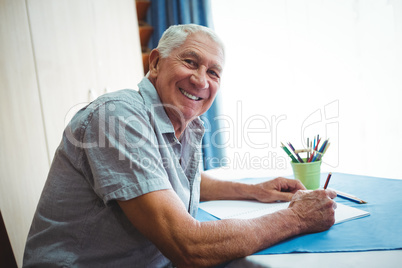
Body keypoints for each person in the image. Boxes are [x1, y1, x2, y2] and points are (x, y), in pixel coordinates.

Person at [23, 24, 336, 267]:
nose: (201, 81)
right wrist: (296, 218)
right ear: (156, 62)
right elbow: (188, 245)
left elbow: (167, 180)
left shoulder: (182, 122)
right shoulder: (118, 118)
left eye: (214, 72)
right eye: (190, 62)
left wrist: (254, 190)